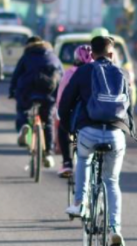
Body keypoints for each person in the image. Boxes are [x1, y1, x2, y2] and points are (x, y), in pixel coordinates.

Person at [59, 36, 137, 246]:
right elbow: (129, 107)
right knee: (111, 181)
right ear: (112, 54)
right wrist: (128, 130)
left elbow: (65, 103)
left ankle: (80, 202)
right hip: (115, 133)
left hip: (88, 131)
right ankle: (115, 229)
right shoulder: (121, 73)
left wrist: (68, 128)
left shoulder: (84, 71)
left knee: (83, 159)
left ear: (92, 54)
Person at [9, 35, 63, 168]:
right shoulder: (53, 56)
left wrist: (12, 91)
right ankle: (49, 153)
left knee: (23, 109)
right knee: (48, 121)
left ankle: (23, 126)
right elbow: (61, 75)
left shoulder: (27, 56)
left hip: (28, 91)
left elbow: (16, 75)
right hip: (48, 92)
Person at [54, 45, 94, 177]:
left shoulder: (71, 73)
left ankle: (67, 162)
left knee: (63, 130)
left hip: (75, 115)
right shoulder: (98, 71)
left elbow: (62, 97)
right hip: (97, 115)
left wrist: (60, 113)